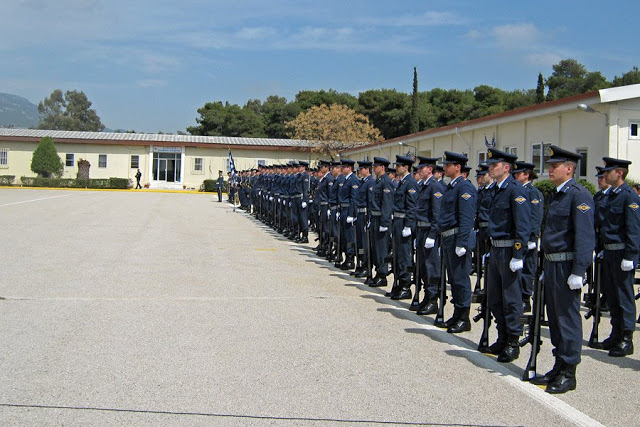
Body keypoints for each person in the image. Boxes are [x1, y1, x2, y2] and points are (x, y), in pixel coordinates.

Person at [531, 145, 595, 394]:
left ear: (569, 169)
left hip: (567, 265)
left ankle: (569, 372)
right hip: (552, 262)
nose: (549, 169)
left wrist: (579, 270)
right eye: (549, 165)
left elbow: (584, 236)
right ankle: (559, 365)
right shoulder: (558, 194)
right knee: (555, 319)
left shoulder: (579, 196)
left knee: (567, 319)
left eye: (553, 166)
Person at [484, 149, 531, 362]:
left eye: (494, 165)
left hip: (509, 250)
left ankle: (513, 341)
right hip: (496, 249)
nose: (490, 168)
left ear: (506, 168)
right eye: (490, 165)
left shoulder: (515, 190)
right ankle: (502, 336)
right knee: (494, 298)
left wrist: (518, 253)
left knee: (511, 299)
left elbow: (523, 225)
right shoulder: (495, 189)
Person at [598, 156, 639, 357]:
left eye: (609, 171)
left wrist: (630, 255)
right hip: (610, 251)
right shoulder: (612, 196)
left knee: (624, 296)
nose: (605, 174)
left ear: (620, 173)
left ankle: (626, 338)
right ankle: (616, 333)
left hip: (623, 251)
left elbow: (633, 228)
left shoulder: (629, 197)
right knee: (612, 295)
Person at [436, 151, 476, 333]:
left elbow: (467, 218)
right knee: (453, 279)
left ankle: (464, 317)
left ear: (458, 167)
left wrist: (462, 242)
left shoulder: (464, 187)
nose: (445, 168)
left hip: (457, 238)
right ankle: (457, 313)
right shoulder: (450, 187)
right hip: (448, 237)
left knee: (461, 279)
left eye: (448, 165)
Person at [414, 156, 445, 315]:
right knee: (422, 266)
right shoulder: (423, 186)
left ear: (430, 170)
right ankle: (427, 297)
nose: (419, 170)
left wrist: (432, 235)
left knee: (431, 267)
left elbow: (437, 214)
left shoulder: (435, 187)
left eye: (422, 168)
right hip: (421, 230)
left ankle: (433, 299)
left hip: (428, 231)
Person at [512, 161, 544, 313]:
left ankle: (525, 298)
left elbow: (535, 218)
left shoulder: (533, 192)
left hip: (529, 240)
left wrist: (532, 239)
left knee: (527, 270)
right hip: (519, 238)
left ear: (526, 175)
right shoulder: (518, 191)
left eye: (517, 173)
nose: (515, 176)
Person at [387, 155, 418, 300]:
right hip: (397, 221)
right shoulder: (401, 182)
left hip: (404, 221)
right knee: (398, 254)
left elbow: (411, 207)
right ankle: (398, 284)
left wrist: (408, 226)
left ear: (406, 167)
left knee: (405, 256)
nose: (396, 168)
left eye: (399, 166)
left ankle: (406, 286)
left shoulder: (410, 183)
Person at [367, 157, 394, 287]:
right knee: (375, 248)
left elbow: (387, 204)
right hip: (374, 218)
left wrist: (385, 222)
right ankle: (378, 271)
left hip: (381, 219)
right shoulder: (377, 182)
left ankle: (382, 274)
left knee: (381, 248)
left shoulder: (386, 182)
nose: (373, 169)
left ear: (382, 167)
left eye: (375, 167)